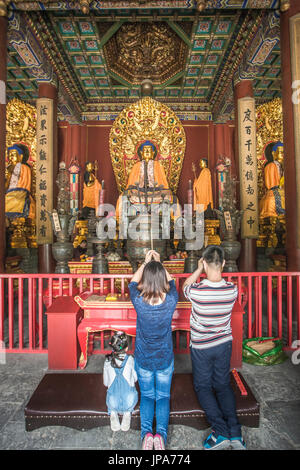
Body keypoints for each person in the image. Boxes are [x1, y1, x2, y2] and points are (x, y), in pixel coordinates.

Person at [183, 245, 246, 450]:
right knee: (222, 385)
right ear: (224, 263)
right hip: (223, 344)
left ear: (204, 262)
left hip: (201, 346)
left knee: (203, 386)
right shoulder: (232, 290)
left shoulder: (197, 291)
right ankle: (236, 434)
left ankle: (220, 432)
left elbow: (185, 285)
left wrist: (198, 270)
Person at [128, 250, 179, 450]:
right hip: (165, 358)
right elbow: (173, 282)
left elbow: (132, 283)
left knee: (147, 396)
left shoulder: (138, 301)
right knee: (163, 397)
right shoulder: (171, 300)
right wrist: (159, 263)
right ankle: (161, 438)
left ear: (146, 279)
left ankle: (146, 436)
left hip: (143, 358)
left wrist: (145, 263)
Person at [103, 331, 138, 432]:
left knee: (112, 397)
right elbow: (135, 379)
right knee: (131, 392)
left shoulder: (107, 361)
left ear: (112, 347)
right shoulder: (130, 360)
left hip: (112, 401)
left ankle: (113, 412)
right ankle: (127, 413)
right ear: (126, 348)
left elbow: (105, 383)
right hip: (129, 400)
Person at [5, 144, 35, 220]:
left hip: (20, 192)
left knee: (11, 200)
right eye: (10, 155)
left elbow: (25, 183)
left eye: (14, 155)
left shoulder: (24, 167)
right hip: (8, 193)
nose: (11, 157)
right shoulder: (7, 168)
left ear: (20, 156)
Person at [259, 141, 285, 219]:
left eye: (285, 152)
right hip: (274, 190)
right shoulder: (270, 166)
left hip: (286, 190)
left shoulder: (288, 165)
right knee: (271, 200)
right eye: (281, 152)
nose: (283, 154)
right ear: (274, 154)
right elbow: (271, 184)